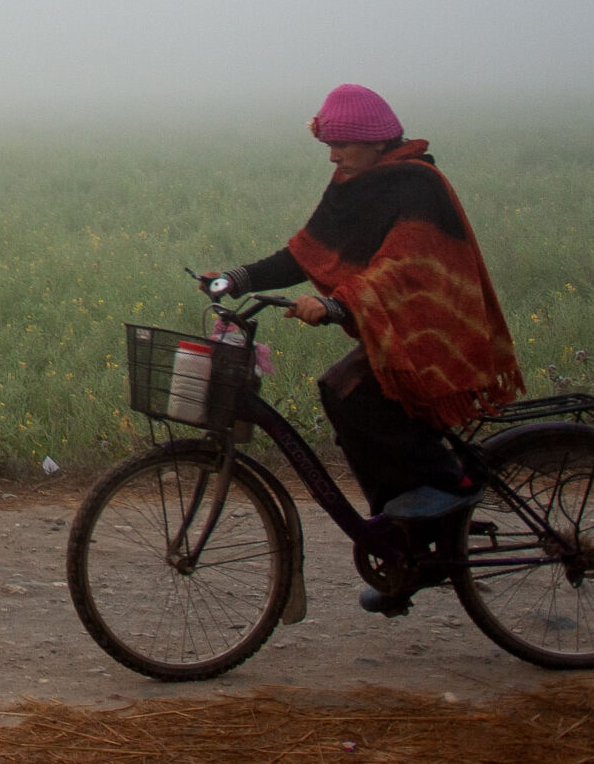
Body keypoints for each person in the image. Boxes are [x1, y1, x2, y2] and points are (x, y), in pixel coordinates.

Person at [209, 84, 523, 560]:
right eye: (329, 146)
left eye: (341, 145)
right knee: (339, 392)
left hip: (434, 328)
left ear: (376, 141)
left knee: (363, 398)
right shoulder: (354, 185)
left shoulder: (417, 184)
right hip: (397, 329)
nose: (333, 157)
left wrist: (337, 305)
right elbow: (308, 252)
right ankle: (401, 529)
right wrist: (236, 280)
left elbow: (406, 268)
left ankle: (449, 485)